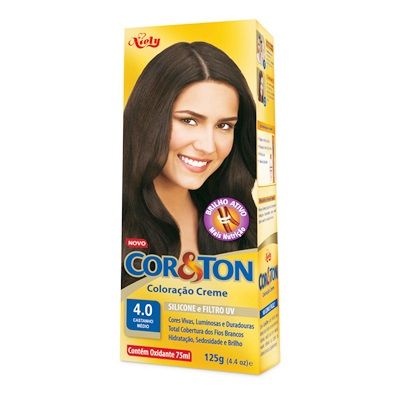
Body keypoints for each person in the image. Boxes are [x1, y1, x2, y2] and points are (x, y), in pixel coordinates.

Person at [122, 42, 257, 287]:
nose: (208, 146)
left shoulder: (234, 219)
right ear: (149, 118)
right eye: (189, 121)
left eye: (224, 125)